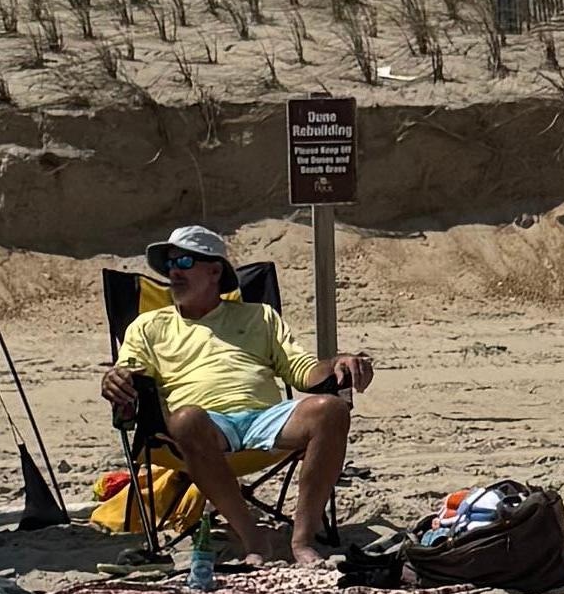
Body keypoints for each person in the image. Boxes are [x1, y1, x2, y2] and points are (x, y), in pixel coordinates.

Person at [100, 222, 376, 568]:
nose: (174, 272)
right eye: (169, 263)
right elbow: (129, 372)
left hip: (265, 419)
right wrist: (115, 379)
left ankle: (303, 539)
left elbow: (302, 371)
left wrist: (337, 363)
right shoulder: (148, 326)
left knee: (332, 409)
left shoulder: (259, 316)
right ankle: (253, 538)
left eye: (184, 262)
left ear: (215, 271)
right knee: (186, 419)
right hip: (202, 430)